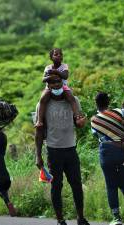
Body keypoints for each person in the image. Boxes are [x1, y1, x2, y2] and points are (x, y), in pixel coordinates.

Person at [35, 75, 89, 225]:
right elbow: (39, 132)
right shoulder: (43, 104)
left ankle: (81, 217)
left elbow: (78, 123)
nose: (56, 84)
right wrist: (38, 155)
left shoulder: (73, 101)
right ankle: (60, 219)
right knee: (56, 185)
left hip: (71, 149)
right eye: (52, 82)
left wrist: (81, 123)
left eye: (58, 81)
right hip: (53, 150)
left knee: (76, 184)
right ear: (49, 85)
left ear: (62, 82)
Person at [91, 92, 124, 225]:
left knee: (111, 185)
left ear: (96, 103)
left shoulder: (94, 119)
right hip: (123, 149)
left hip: (106, 152)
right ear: (108, 102)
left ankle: (117, 218)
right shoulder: (118, 112)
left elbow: (97, 135)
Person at [35, 48, 81, 127]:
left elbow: (65, 76)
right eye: (56, 54)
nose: (59, 55)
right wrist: (49, 77)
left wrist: (56, 72)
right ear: (51, 58)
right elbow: (43, 79)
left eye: (60, 54)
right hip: (50, 88)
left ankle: (77, 117)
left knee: (72, 98)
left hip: (63, 87)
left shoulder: (64, 66)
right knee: (42, 100)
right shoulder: (48, 68)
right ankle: (40, 121)